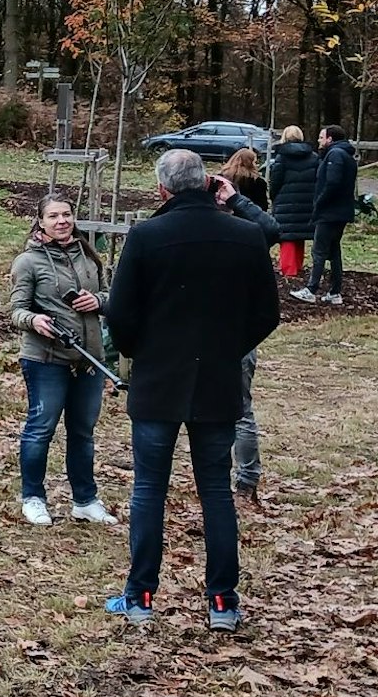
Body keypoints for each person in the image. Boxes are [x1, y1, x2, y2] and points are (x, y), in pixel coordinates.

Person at [104, 150, 280, 631]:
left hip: (160, 380)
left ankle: (140, 594)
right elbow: (267, 313)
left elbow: (120, 313)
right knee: (216, 492)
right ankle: (222, 601)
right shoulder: (245, 236)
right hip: (216, 380)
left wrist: (142, 351)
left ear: (162, 190)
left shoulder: (146, 236)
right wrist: (228, 348)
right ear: (207, 183)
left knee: (148, 489)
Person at [8, 195, 116, 527]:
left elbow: (111, 294)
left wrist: (97, 300)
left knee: (82, 432)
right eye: (53, 216)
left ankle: (85, 500)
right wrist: (34, 321)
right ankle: (33, 498)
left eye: (66, 215)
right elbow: (16, 311)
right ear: (40, 222)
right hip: (46, 359)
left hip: (89, 360)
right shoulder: (28, 261)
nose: (61, 221)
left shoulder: (88, 255)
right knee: (41, 430)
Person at [223, 146, 273, 504]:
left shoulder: (242, 238)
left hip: (232, 334)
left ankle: (245, 478)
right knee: (238, 409)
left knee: (237, 409)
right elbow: (269, 224)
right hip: (236, 333)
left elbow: (271, 228)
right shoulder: (249, 233)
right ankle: (242, 479)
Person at [295, 123, 357, 305]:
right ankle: (335, 291)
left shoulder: (335, 155)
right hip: (342, 211)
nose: (319, 140)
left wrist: (319, 202)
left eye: (321, 137)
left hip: (330, 212)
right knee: (334, 251)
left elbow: (332, 182)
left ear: (330, 139)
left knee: (319, 250)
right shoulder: (346, 155)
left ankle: (311, 289)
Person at [267, 125, 320, 280]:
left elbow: (275, 181)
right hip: (307, 201)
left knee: (287, 236)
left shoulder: (282, 157)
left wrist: (273, 196)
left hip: (286, 201)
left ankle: (288, 270)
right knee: (300, 234)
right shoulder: (314, 156)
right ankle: (298, 265)